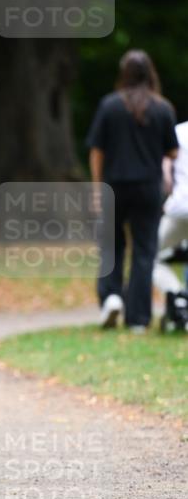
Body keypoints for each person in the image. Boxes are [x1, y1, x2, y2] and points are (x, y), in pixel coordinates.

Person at [87, 50, 178, 331]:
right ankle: (138, 318)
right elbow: (173, 152)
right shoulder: (162, 108)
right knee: (144, 251)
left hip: (115, 185)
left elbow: (97, 150)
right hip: (148, 189)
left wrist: (97, 185)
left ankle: (111, 298)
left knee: (111, 246)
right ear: (150, 73)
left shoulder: (109, 106)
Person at [153, 120, 188, 331]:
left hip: (180, 207)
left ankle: (178, 297)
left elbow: (166, 176)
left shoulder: (179, 132)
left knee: (149, 255)